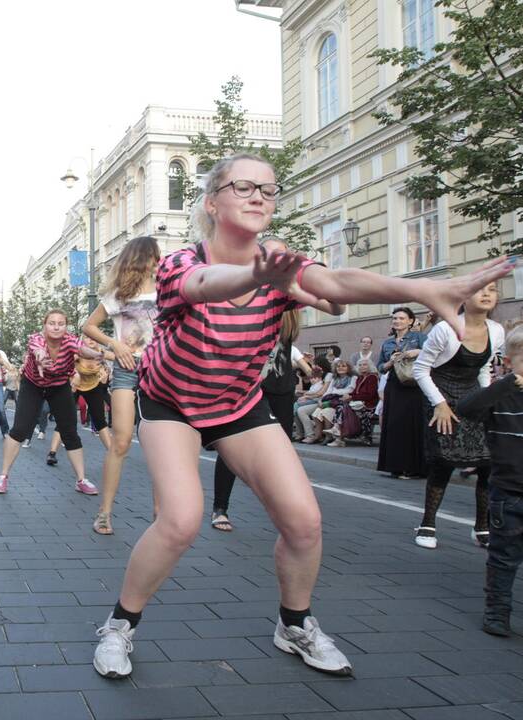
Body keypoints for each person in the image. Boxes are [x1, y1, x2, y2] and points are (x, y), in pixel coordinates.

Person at [90, 153, 512, 681]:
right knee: (180, 520)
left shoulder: (282, 261)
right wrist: (257, 275)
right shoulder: (181, 264)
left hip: (239, 403)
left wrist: (421, 288)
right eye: (243, 186)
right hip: (170, 401)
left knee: (305, 522)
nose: (258, 196)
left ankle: (294, 624)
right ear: (212, 202)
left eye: (269, 189)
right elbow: (205, 286)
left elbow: (337, 282)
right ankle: (120, 625)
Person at [209, 237, 330, 533]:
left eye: (284, 256)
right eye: (273, 255)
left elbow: (329, 300)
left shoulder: (290, 302)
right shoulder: (252, 293)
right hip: (252, 386)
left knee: (282, 450)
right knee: (232, 450)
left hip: (282, 388)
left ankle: (283, 505)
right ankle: (220, 507)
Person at [412, 282, 504, 549]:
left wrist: (488, 399)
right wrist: (439, 404)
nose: (486, 294)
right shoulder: (446, 328)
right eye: (480, 289)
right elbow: (421, 370)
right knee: (444, 462)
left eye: (492, 289)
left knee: (487, 462)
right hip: (441, 396)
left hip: (473, 397)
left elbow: (484, 369)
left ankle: (482, 527)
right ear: (464, 296)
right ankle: (428, 523)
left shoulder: (496, 330)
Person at [83, 237, 159, 535]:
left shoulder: (167, 289)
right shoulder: (119, 295)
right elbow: (89, 325)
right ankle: (104, 512)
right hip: (127, 369)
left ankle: (160, 512)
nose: (159, 261)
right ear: (143, 258)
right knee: (122, 440)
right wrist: (114, 343)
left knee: (160, 444)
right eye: (155, 256)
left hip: (161, 370)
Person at [0, 309, 112, 496]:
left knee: (70, 432)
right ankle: (3, 476)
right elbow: (37, 349)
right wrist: (40, 356)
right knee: (20, 430)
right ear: (44, 325)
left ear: (66, 326)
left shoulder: (70, 340)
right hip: (33, 386)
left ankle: (81, 480)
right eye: (52, 323)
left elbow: (83, 349)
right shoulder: (36, 339)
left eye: (60, 324)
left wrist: (97, 355)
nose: (56, 327)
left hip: (59, 387)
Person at [457, 323, 523, 636]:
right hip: (507, 494)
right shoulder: (500, 396)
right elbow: (467, 408)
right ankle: (497, 613)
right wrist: (508, 383)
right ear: (509, 362)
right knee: (502, 559)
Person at [377, 307, 428, 479]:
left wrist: (418, 351)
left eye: (401, 318)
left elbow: (436, 353)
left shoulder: (419, 337)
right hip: (394, 384)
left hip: (415, 384)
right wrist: (389, 363)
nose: (397, 321)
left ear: (410, 321)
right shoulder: (387, 343)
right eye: (395, 318)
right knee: (395, 425)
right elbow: (380, 367)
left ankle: (414, 468)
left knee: (413, 425)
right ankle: (395, 465)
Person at [46, 336, 112, 465]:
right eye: (87, 338)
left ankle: (112, 452)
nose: (91, 340)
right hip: (74, 386)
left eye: (93, 338)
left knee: (100, 420)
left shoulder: (101, 354)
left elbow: (105, 379)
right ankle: (52, 453)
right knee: (65, 419)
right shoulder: (77, 352)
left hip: (93, 387)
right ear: (82, 340)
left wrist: (105, 379)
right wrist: (72, 373)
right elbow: (62, 366)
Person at [298, 359, 356, 444]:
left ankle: (329, 436)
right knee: (316, 413)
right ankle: (318, 435)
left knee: (326, 411)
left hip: (342, 401)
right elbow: (328, 391)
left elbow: (350, 390)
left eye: (343, 366)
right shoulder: (334, 378)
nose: (340, 368)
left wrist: (334, 393)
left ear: (348, 368)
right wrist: (322, 399)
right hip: (332, 400)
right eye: (338, 366)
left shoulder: (353, 378)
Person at [327, 358, 379, 446]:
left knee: (342, 407)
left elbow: (369, 395)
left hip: (368, 406)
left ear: (369, 366)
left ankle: (338, 435)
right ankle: (338, 435)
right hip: (358, 404)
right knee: (342, 406)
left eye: (365, 364)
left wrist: (351, 397)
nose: (362, 367)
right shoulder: (360, 377)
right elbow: (355, 391)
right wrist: (349, 395)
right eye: (360, 365)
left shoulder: (372, 377)